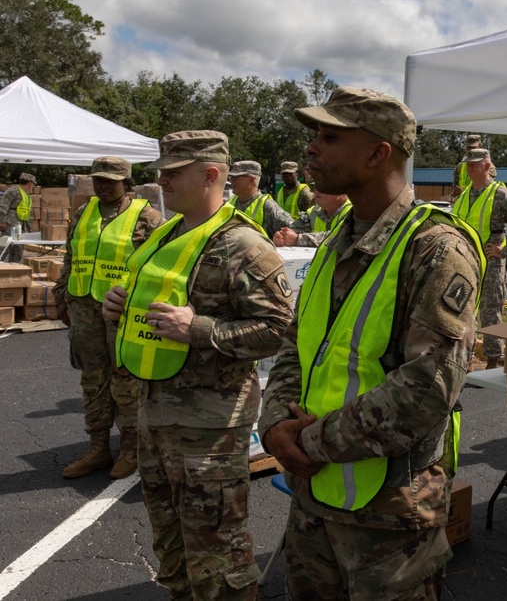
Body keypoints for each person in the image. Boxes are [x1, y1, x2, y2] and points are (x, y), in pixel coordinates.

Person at [258, 86, 482, 600]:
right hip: (314, 494)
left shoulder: (436, 247)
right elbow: (300, 344)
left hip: (389, 513)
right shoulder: (340, 235)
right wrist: (274, 427)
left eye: (330, 137)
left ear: (379, 152)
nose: (312, 148)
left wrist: (310, 443)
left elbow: (427, 388)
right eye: (314, 135)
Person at [102, 130, 294, 599]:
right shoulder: (169, 233)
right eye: (161, 172)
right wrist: (120, 306)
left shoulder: (247, 246)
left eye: (173, 173)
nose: (162, 182)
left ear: (211, 175)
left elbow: (279, 332)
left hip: (210, 426)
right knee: (172, 547)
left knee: (217, 557)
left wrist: (200, 329)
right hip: (157, 414)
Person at [54, 157, 164, 480]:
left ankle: (131, 448)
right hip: (84, 307)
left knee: (126, 379)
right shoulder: (83, 212)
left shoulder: (147, 217)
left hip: (123, 312)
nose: (102, 185)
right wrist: (62, 296)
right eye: (98, 180)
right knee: (92, 378)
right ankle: (98, 448)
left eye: (109, 181)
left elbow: (158, 268)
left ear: (125, 182)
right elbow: (70, 256)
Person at [452, 148, 507, 369]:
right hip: (465, 261)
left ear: (487, 166)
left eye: (474, 164)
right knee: (463, 310)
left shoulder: (499, 194)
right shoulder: (464, 194)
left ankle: (493, 361)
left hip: (490, 263)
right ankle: (465, 359)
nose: (469, 167)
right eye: (467, 164)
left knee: (490, 311)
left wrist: (504, 252)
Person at [227, 160, 295, 237]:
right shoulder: (229, 202)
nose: (231, 180)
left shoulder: (268, 207)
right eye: (231, 177)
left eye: (236, 177)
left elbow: (292, 233)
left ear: (251, 179)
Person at [272, 190, 351, 248]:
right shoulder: (313, 212)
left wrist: (298, 239)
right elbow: (291, 232)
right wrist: (281, 237)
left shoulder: (354, 212)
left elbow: (338, 237)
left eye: (323, 187)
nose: (316, 191)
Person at [0, 172, 37, 263]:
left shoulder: (26, 195)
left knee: (18, 250)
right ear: (29, 183)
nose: (33, 186)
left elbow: (26, 213)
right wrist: (2, 221)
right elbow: (3, 206)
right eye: (33, 184)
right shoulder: (13, 191)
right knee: (4, 248)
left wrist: (30, 228)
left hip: (20, 226)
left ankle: (14, 270)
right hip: (10, 223)